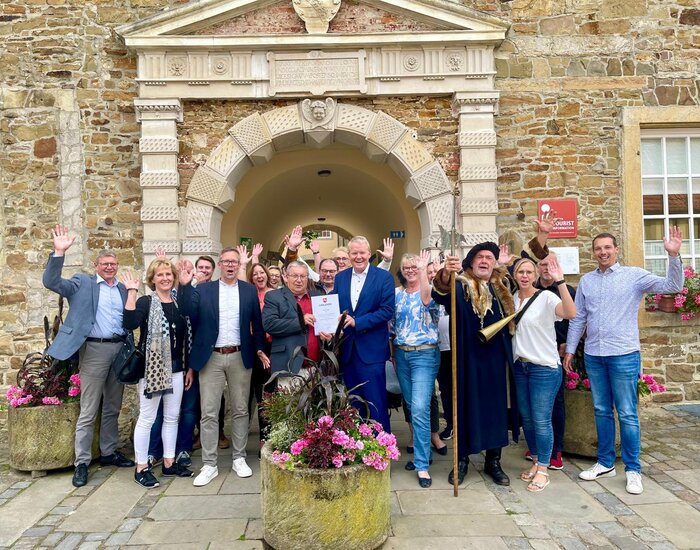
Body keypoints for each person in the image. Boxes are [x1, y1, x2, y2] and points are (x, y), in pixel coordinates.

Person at [565, 229, 683, 495]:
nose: (603, 252)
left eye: (607, 247)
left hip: (624, 355)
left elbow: (673, 287)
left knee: (628, 414)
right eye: (598, 249)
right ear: (593, 252)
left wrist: (673, 255)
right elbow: (579, 317)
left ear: (616, 249)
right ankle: (605, 462)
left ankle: (632, 469)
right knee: (601, 410)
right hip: (595, 355)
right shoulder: (586, 281)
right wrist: (570, 350)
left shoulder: (634, 276)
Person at [43, 225, 135, 488]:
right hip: (93, 350)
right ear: (96, 265)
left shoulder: (122, 288)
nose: (109, 267)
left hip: (119, 350)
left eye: (113, 264)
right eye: (105, 263)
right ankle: (81, 462)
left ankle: (108, 453)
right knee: (89, 408)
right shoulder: (82, 283)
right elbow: (52, 282)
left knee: (112, 407)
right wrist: (58, 253)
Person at [179, 247, 270, 487]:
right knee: (209, 412)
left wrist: (260, 348)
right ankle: (209, 464)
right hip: (212, 357)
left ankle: (239, 458)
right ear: (220, 264)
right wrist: (186, 286)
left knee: (241, 409)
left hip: (241, 355)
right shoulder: (205, 289)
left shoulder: (249, 291)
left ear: (239, 264)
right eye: (226, 261)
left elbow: (257, 325)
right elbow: (187, 312)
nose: (230, 265)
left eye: (234, 262)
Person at [122, 260, 194, 488]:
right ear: (152, 279)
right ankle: (141, 467)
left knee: (173, 417)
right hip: (151, 369)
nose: (165, 278)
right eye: (160, 275)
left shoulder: (178, 302)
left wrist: (188, 367)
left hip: (176, 368)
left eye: (168, 274)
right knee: (148, 418)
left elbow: (185, 337)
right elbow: (130, 322)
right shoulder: (146, 302)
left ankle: (169, 462)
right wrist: (132, 292)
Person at [511, 256, 576, 493]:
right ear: (514, 276)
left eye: (529, 272)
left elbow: (570, 312)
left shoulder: (547, 297)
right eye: (521, 272)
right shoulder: (511, 300)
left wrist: (560, 281)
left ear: (536, 275)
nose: (525, 276)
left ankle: (544, 469)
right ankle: (537, 460)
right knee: (526, 418)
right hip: (521, 366)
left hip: (544, 369)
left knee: (541, 419)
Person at [332, 236, 395, 431]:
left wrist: (357, 322)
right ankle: (356, 448)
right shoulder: (340, 277)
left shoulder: (383, 277)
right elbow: (335, 307)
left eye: (362, 253)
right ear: (349, 255)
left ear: (369, 254)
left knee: (376, 403)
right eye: (354, 253)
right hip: (347, 351)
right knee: (352, 405)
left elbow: (387, 311)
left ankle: (382, 449)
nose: (358, 256)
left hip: (372, 351)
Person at [393, 251, 441, 488]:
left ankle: (422, 465)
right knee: (413, 407)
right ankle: (425, 453)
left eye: (414, 266)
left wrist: (424, 271)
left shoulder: (429, 290)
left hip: (424, 354)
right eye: (407, 267)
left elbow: (425, 300)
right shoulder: (396, 295)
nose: (410, 270)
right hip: (402, 354)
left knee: (421, 407)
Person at [263, 261, 321, 378]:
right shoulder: (274, 296)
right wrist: (300, 321)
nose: (299, 280)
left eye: (303, 276)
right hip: (288, 366)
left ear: (307, 278)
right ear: (285, 277)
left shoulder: (318, 297)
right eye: (294, 276)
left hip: (316, 367)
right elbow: (269, 324)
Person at [248, 262, 274, 442]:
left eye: (262, 272)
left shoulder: (276, 294)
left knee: (272, 393)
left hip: (274, 347)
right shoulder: (248, 296)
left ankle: (273, 435)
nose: (259, 276)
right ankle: (264, 438)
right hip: (254, 348)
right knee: (261, 395)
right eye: (255, 273)